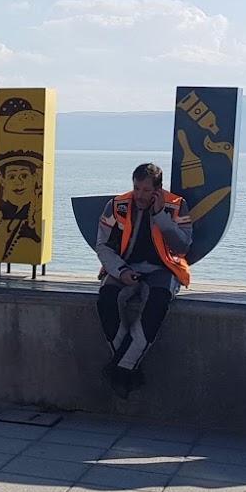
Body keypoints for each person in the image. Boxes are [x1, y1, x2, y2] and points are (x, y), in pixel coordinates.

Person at [93, 163, 193, 396]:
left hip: (163, 269)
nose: (140, 195)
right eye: (137, 188)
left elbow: (183, 245)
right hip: (124, 267)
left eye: (146, 190)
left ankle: (120, 368)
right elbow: (102, 246)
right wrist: (120, 271)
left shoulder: (177, 206)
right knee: (106, 298)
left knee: (158, 302)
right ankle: (127, 369)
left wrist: (160, 216)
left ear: (158, 189)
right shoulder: (117, 205)